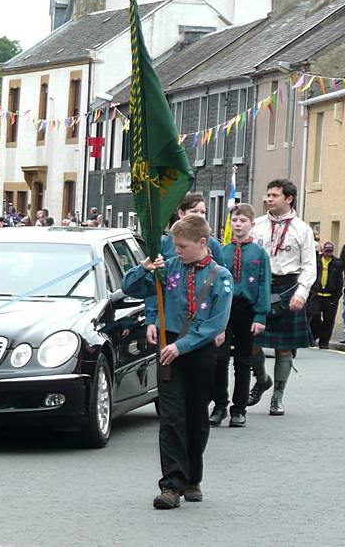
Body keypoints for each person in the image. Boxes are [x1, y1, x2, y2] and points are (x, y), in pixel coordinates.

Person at [121, 216, 232, 509]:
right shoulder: (169, 267)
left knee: (196, 418)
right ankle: (171, 484)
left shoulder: (220, 276)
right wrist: (142, 269)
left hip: (198, 350)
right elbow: (131, 287)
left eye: (183, 246)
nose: (178, 251)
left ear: (202, 243)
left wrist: (181, 346)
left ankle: (193, 477)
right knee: (171, 418)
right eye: (175, 246)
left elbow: (215, 322)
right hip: (169, 348)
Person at [247, 179, 316, 416]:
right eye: (268, 194)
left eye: (274, 195)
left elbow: (309, 266)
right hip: (260, 287)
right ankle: (262, 379)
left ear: (289, 199)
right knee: (253, 344)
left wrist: (302, 293)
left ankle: (277, 397)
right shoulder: (256, 226)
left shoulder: (302, 229)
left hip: (289, 287)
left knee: (284, 349)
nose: (269, 199)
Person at [211, 204, 270, 429]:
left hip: (247, 309)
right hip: (225, 310)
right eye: (235, 220)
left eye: (243, 221)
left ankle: (239, 409)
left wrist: (260, 316)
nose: (238, 224)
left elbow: (264, 284)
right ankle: (220, 406)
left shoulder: (259, 253)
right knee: (219, 359)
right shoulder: (223, 251)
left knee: (243, 361)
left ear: (251, 225)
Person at [160, 192, 224, 261]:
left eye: (202, 212)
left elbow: (220, 269)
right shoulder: (165, 243)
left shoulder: (213, 244)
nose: (199, 216)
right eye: (194, 211)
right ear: (181, 213)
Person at [307, 241, 342, 350]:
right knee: (315, 316)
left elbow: (340, 280)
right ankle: (313, 336)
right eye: (326, 251)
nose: (328, 253)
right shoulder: (315, 261)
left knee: (329, 320)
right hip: (316, 295)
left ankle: (324, 342)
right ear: (322, 251)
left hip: (330, 296)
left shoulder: (337, 262)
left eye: (330, 251)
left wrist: (337, 294)